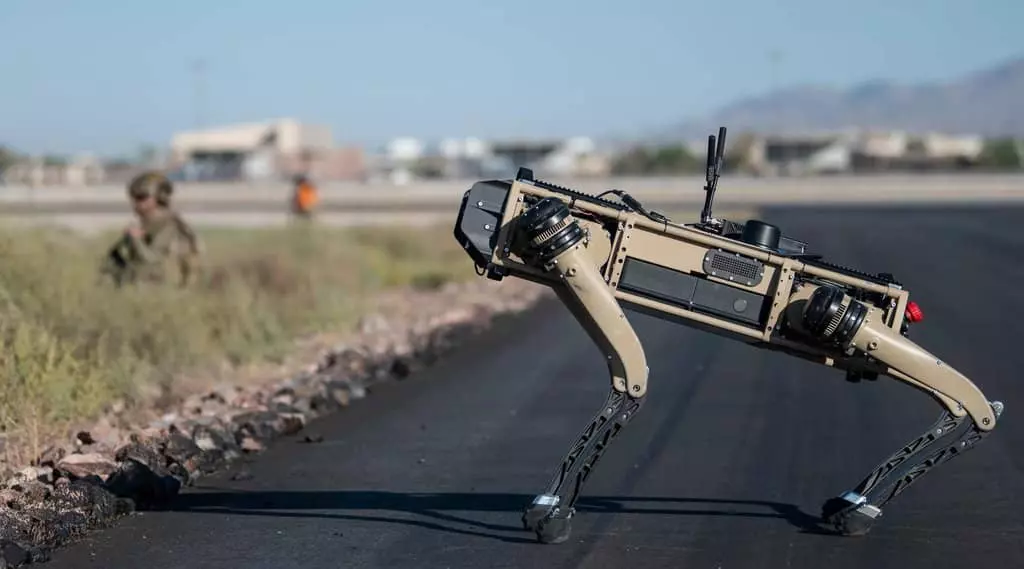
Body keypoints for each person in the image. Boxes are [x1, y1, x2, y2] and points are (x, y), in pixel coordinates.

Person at [101, 171, 201, 287]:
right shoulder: (149, 224)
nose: (137, 204)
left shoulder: (169, 226)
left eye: (142, 198)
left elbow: (153, 260)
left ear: (159, 198)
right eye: (134, 199)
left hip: (167, 285)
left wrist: (135, 240)